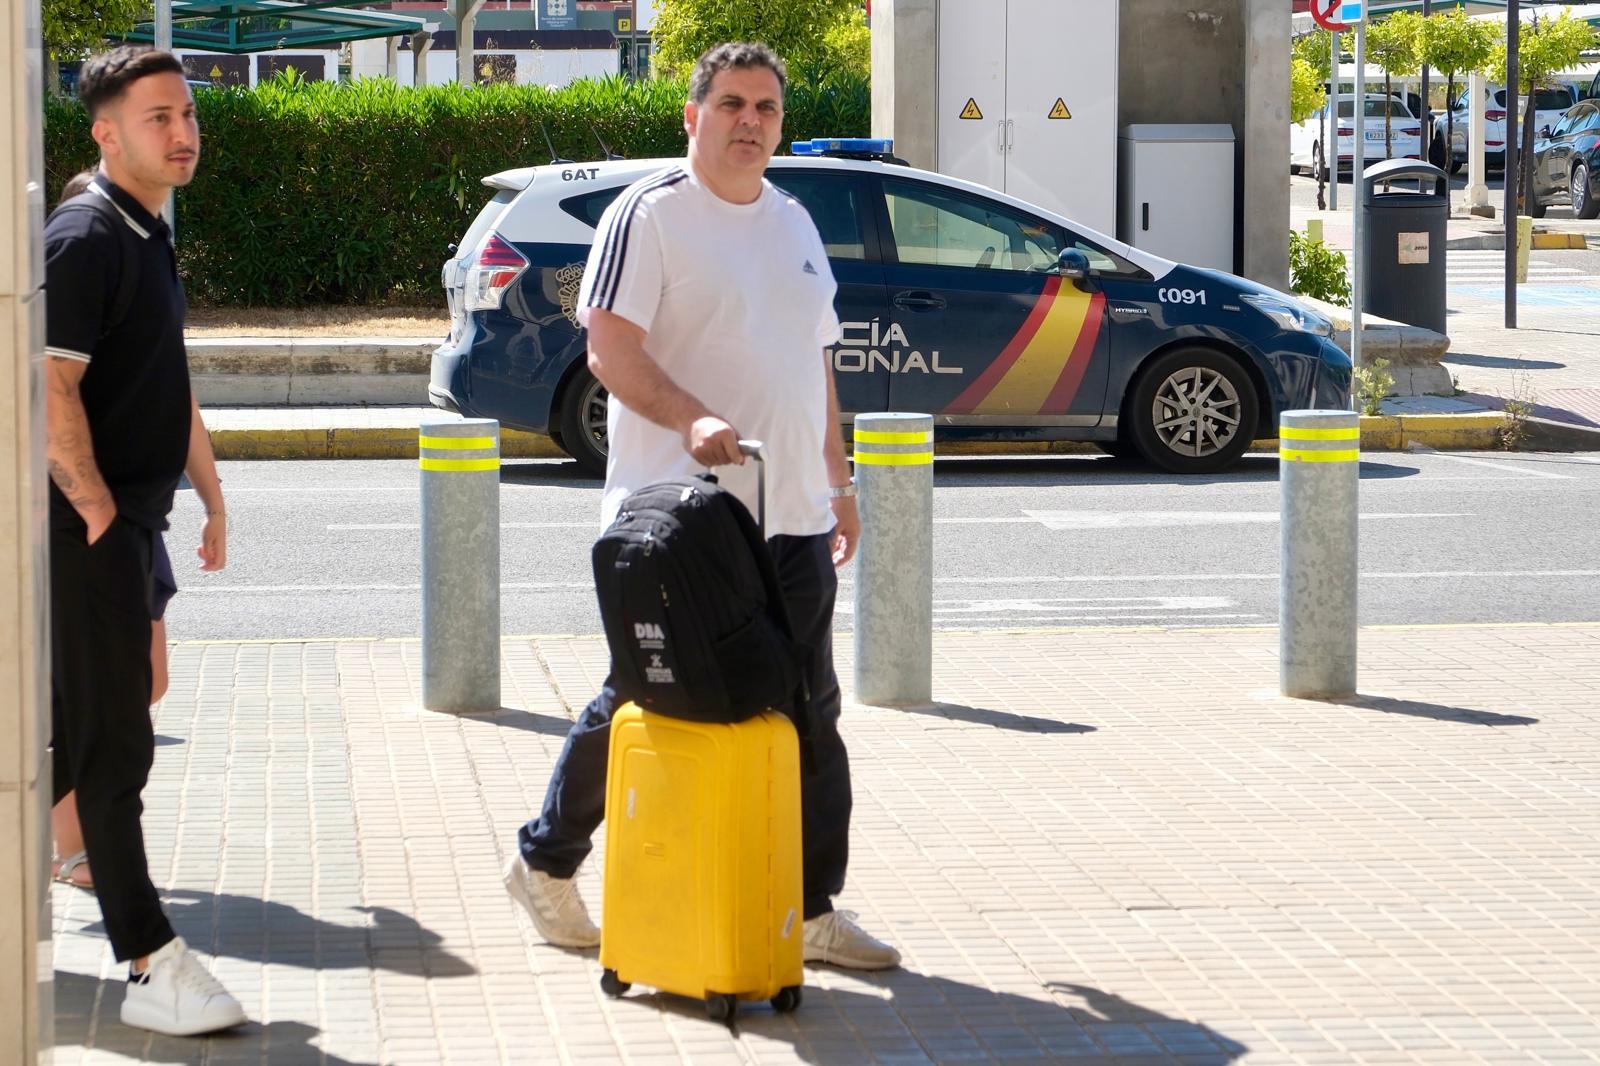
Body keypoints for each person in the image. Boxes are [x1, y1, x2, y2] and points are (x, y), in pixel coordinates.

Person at [504, 41, 899, 971]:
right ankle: (546, 864)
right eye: (730, 104)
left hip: (793, 514)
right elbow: (607, 349)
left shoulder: (796, 221)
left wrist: (838, 484)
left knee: (810, 712)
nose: (749, 122)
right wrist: (692, 418)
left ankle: (810, 911)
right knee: (648, 694)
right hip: (682, 527)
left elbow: (816, 366)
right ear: (692, 116)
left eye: (765, 107)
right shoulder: (649, 217)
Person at [44, 45, 245, 1036]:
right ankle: (149, 956)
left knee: (61, 729)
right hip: (88, 525)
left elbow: (163, 374)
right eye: (158, 117)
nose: (181, 133)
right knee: (116, 740)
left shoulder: (145, 227)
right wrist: (91, 505)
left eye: (187, 115)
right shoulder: (86, 234)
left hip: (128, 516)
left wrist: (206, 488)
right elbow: (48, 382)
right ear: (105, 131)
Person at [49, 168, 228, 894]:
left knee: (145, 683)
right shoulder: (68, 291)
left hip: (138, 522)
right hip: (83, 520)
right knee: (83, 694)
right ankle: (74, 849)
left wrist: (215, 502)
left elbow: (181, 404)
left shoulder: (144, 295)